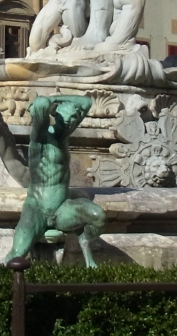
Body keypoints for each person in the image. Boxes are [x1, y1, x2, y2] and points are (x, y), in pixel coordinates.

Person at [7, 94, 106, 267]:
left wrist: (58, 99)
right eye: (68, 119)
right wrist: (51, 103)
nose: (71, 123)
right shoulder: (39, 139)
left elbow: (86, 102)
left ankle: (84, 241)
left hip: (62, 208)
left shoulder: (64, 136)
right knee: (17, 254)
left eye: (74, 119)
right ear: (57, 116)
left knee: (99, 217)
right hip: (37, 208)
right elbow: (41, 104)